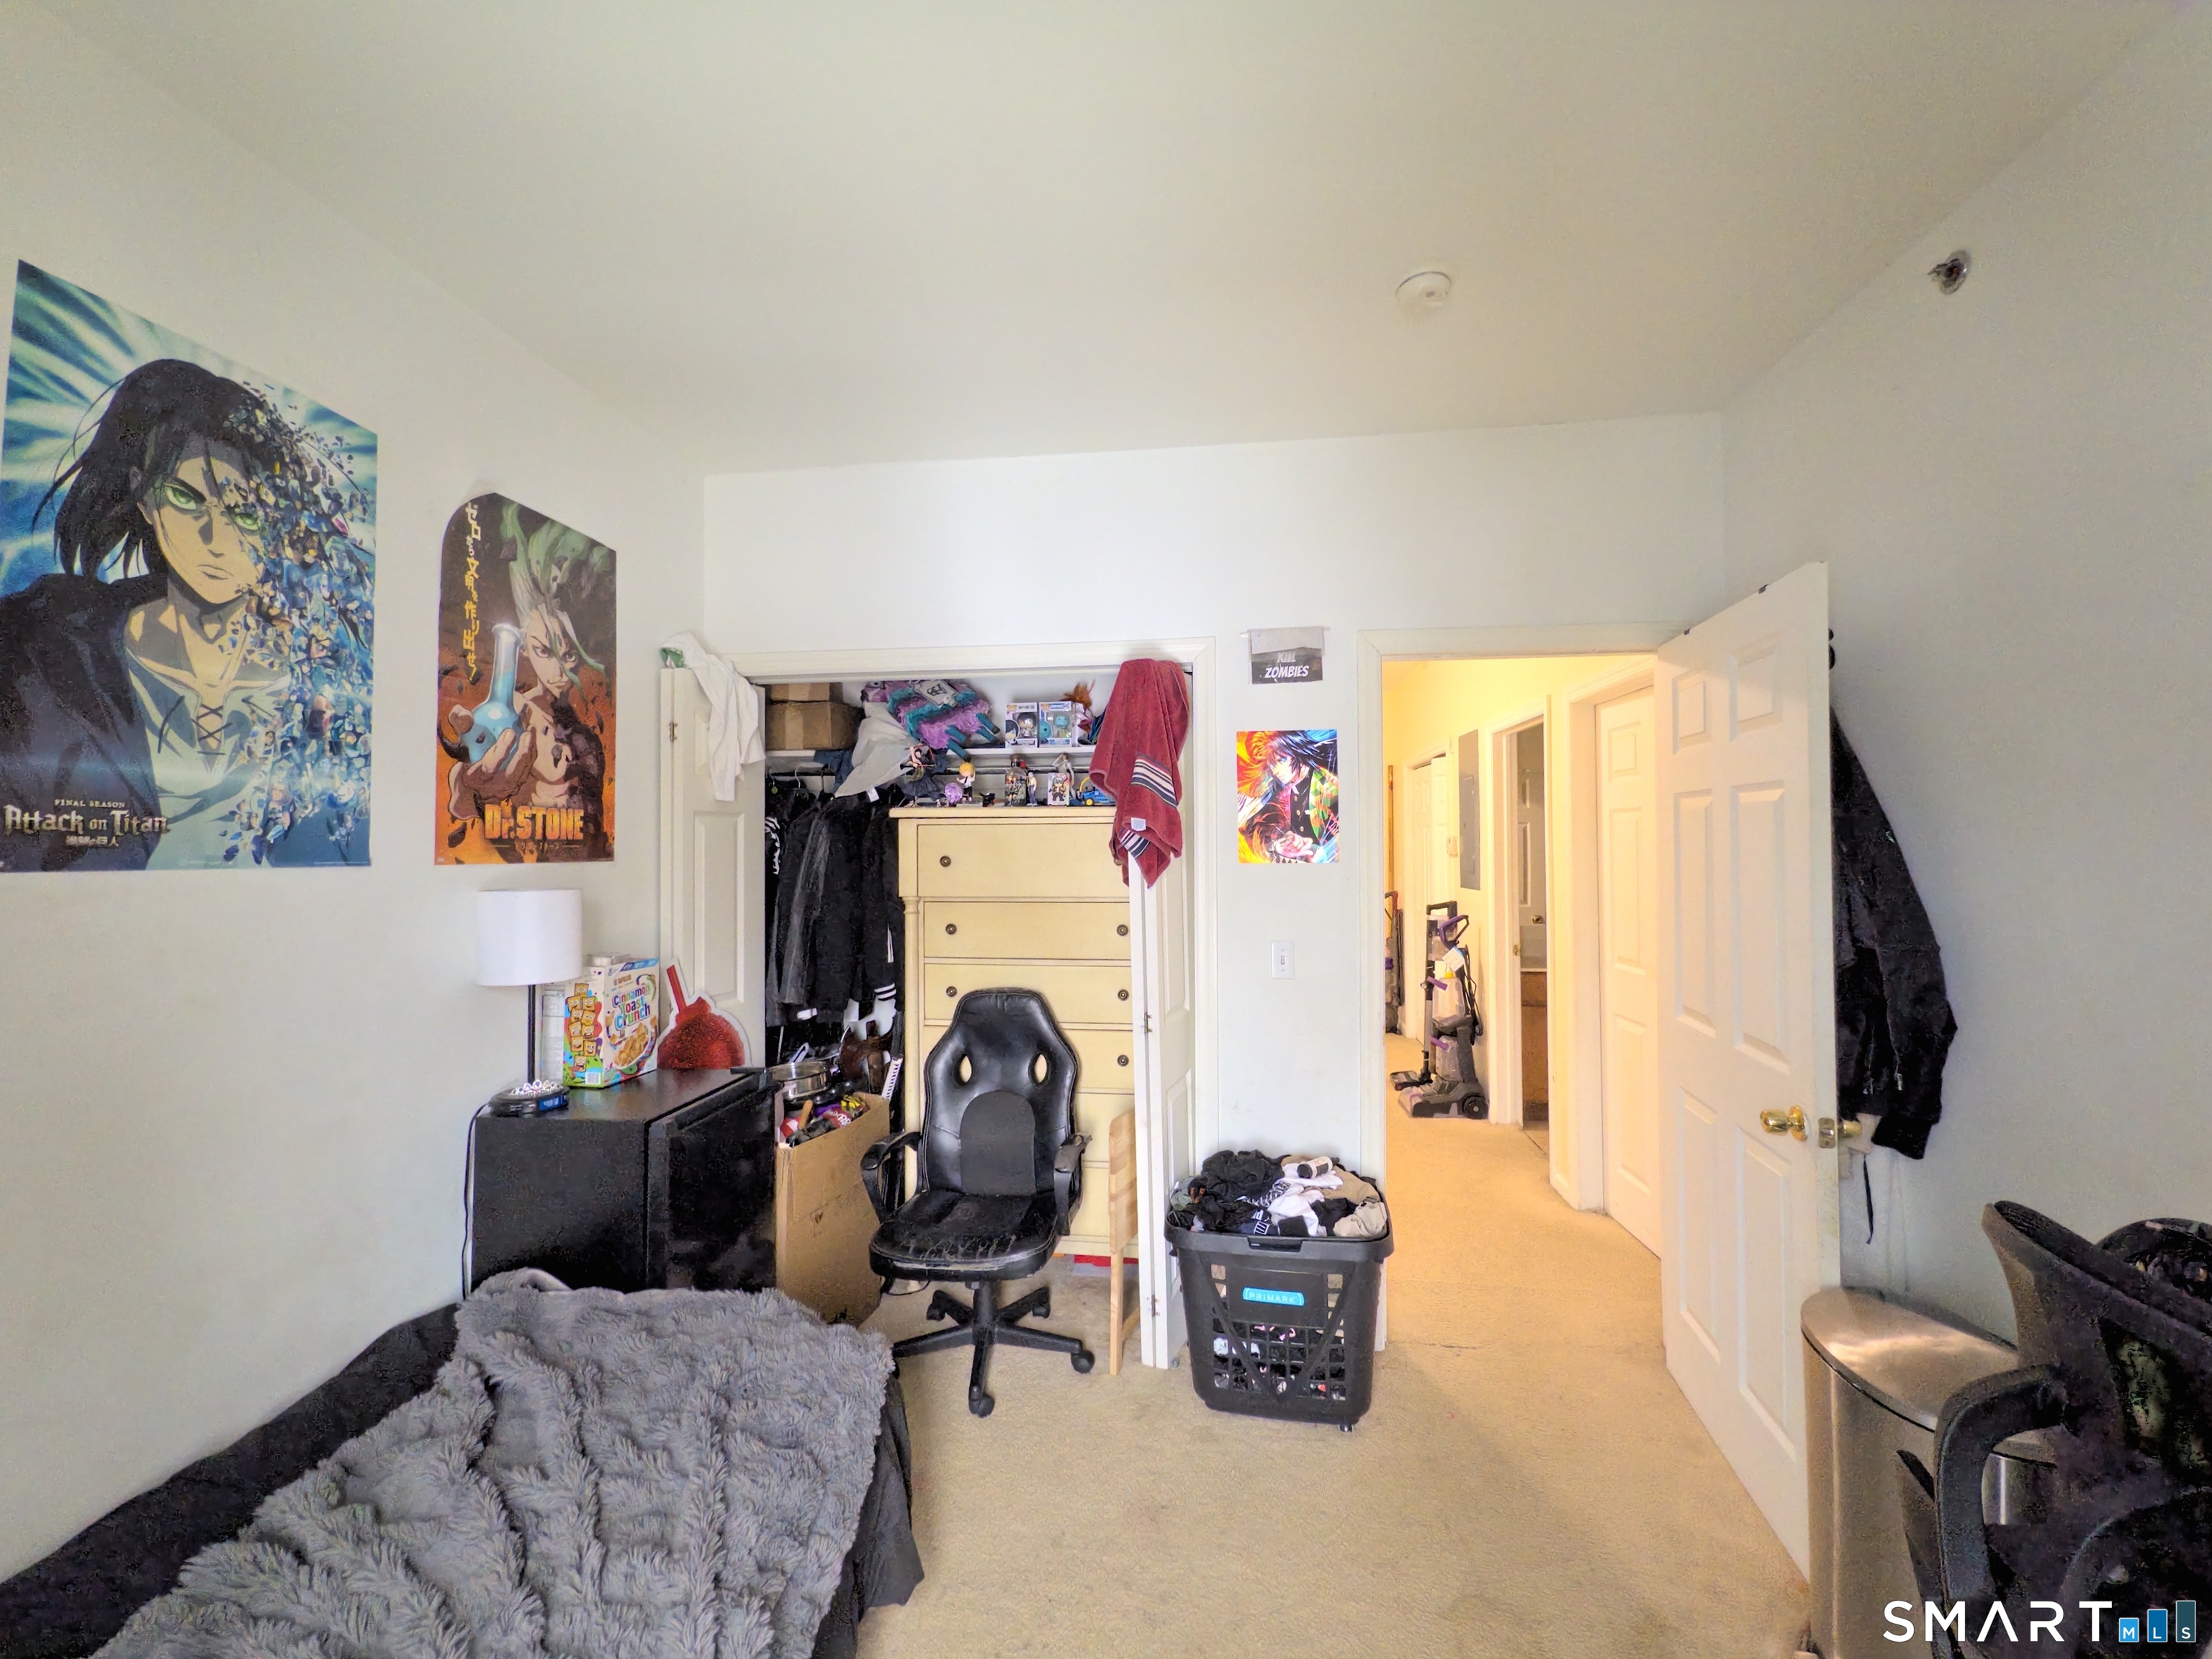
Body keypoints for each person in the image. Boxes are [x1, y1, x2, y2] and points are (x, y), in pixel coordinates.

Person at [0, 358, 368, 871]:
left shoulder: (322, 687)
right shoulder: (47, 651)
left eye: (245, 513)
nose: (215, 539)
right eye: (185, 497)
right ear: (145, 496)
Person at [441, 502, 612, 862]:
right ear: (522, 646)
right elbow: (464, 790)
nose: (559, 672)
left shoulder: (586, 735)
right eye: (543, 651)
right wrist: (468, 788)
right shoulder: (515, 713)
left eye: (570, 656)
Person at [1237, 730, 1339, 863]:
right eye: (1271, 763)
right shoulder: (1279, 790)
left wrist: (1319, 851)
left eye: (1282, 760)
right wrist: (1280, 843)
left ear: (1298, 753)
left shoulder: (1328, 788)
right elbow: (1256, 829)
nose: (1275, 771)